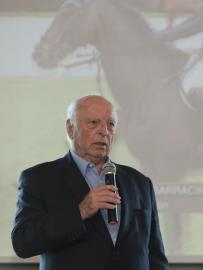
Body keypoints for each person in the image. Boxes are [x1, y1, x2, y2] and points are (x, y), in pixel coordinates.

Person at [11, 95, 169, 270]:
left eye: (110, 124)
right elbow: (23, 243)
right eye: (93, 123)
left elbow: (155, 255)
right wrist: (80, 211)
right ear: (71, 129)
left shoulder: (139, 182)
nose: (104, 131)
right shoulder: (40, 178)